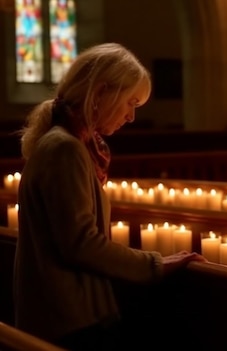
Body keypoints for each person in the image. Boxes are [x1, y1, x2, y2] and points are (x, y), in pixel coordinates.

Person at [15, 43, 206, 350]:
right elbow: (81, 244)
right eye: (130, 103)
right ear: (100, 93)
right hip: (69, 317)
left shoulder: (70, 144)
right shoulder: (66, 149)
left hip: (68, 311)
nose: (131, 117)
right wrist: (155, 264)